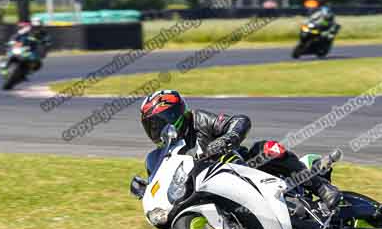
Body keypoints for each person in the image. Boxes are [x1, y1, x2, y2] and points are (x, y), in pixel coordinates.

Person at [137, 90, 343, 212]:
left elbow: (239, 121)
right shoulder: (159, 156)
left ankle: (320, 187)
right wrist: (145, 188)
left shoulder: (197, 120)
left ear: (177, 114)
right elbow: (162, 183)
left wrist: (227, 138)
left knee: (268, 148)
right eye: (153, 126)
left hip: (241, 165)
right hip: (209, 193)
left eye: (161, 122)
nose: (158, 130)